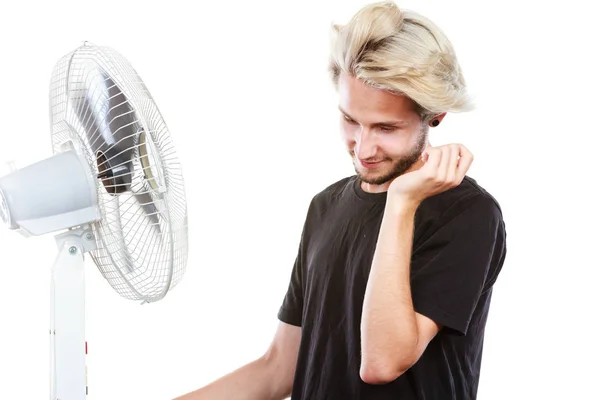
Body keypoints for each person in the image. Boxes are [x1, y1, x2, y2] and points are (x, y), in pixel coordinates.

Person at [174, 1, 507, 399]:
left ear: (434, 116)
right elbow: (279, 368)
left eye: (386, 127)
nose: (362, 148)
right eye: (351, 120)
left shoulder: (466, 213)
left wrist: (400, 204)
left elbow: (382, 363)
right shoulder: (325, 207)